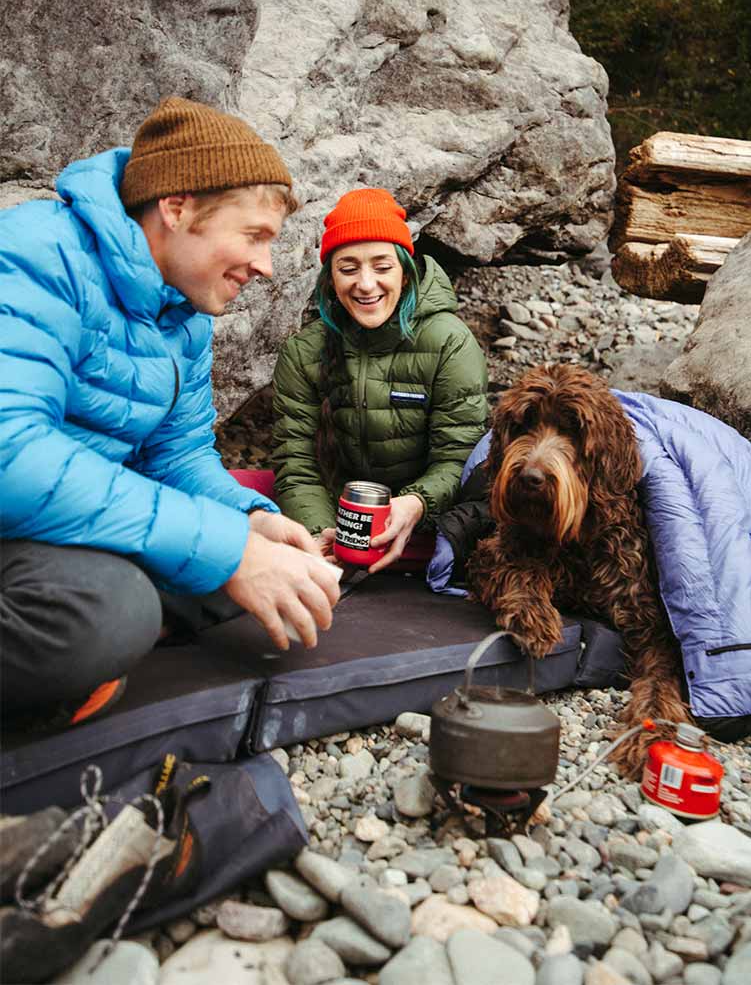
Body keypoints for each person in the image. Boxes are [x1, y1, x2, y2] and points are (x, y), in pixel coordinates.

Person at [0, 97, 340, 723]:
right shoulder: (33, 255)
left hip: (54, 529)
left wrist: (252, 521)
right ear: (177, 207)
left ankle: (104, 642)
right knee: (115, 611)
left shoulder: (182, 313)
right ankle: (100, 646)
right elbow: (11, 457)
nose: (266, 267)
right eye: (255, 236)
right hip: (13, 511)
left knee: (262, 574)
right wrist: (229, 551)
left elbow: (177, 455)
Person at [271, 188, 489, 572]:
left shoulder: (450, 343)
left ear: (405, 273)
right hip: (341, 520)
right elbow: (297, 463)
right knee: (240, 490)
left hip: (423, 520)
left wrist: (415, 504)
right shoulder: (304, 352)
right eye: (349, 268)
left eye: (382, 267)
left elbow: (459, 458)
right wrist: (320, 531)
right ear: (331, 281)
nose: (366, 284)